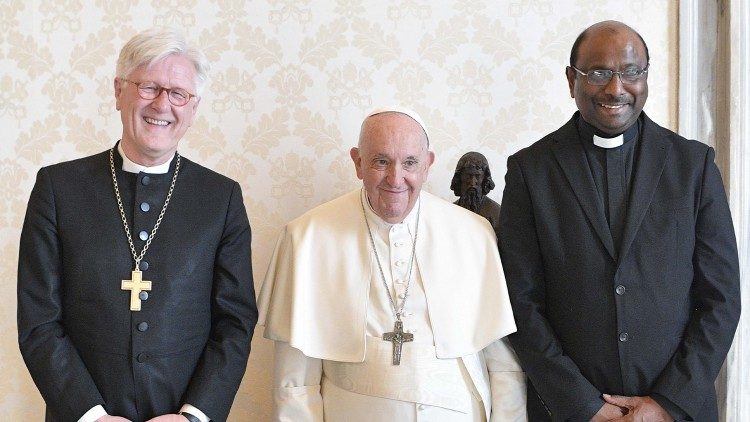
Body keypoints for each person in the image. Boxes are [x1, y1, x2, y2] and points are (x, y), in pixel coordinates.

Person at [498, 20, 741, 422]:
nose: (616, 88)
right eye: (598, 73)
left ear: (646, 76)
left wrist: (667, 403)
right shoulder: (531, 170)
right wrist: (585, 407)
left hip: (676, 413)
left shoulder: (693, 166)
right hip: (570, 412)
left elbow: (721, 298)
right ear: (570, 79)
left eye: (631, 72)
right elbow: (519, 302)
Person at [17, 28, 257, 422]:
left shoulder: (221, 198)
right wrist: (91, 415)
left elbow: (235, 322)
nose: (163, 104)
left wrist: (193, 416)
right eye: (148, 87)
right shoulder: (58, 188)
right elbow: (39, 320)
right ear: (118, 91)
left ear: (193, 108)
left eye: (178, 93)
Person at [257, 107, 526, 421]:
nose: (395, 179)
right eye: (381, 161)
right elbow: (295, 383)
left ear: (428, 165)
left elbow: (504, 364)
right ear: (358, 162)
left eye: (410, 162)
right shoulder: (305, 238)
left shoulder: (474, 234)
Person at [451, 151, 501, 238]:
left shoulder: (496, 213)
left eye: (477, 176)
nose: (472, 183)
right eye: (468, 176)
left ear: (484, 179)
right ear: (460, 178)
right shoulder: (450, 210)